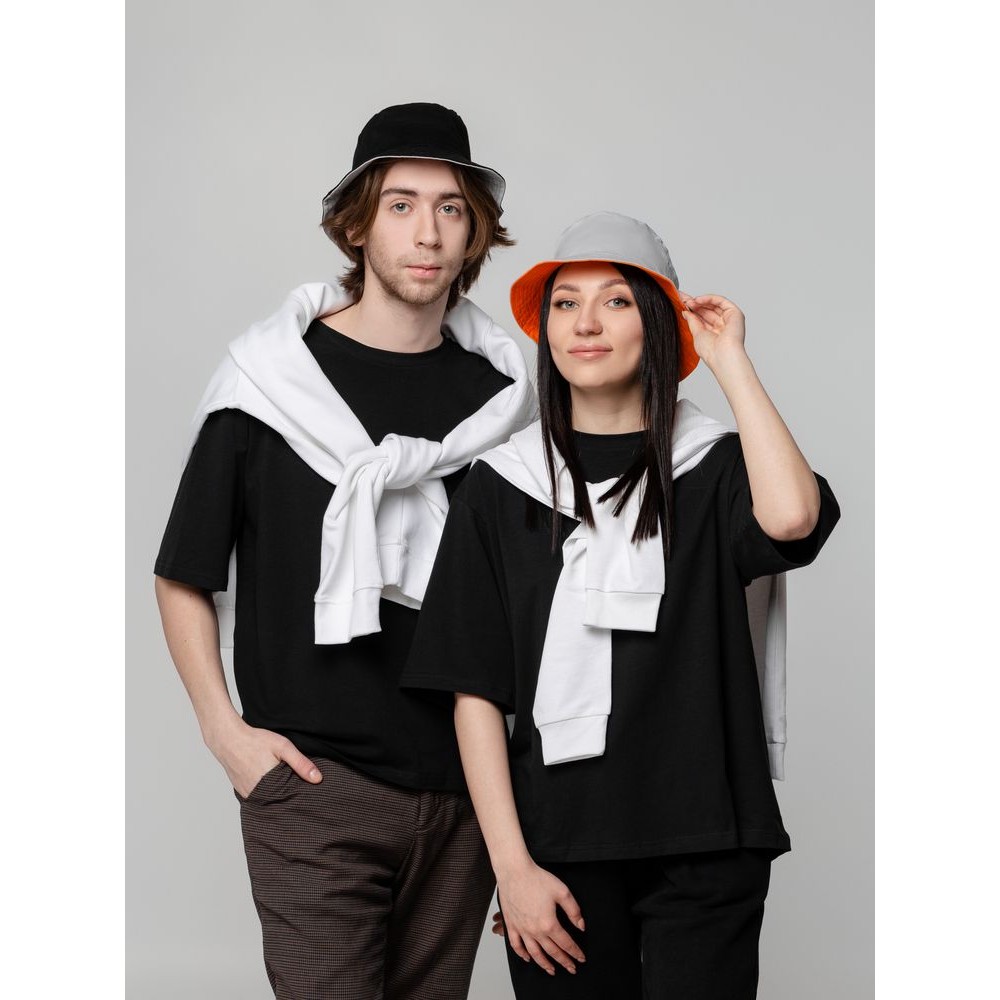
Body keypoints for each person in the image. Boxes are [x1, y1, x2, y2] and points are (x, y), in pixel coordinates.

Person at [401, 211, 840, 999]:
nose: (586, 324)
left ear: (659, 325)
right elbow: (474, 692)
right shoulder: (500, 486)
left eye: (617, 301)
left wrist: (729, 361)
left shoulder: (715, 466)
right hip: (556, 850)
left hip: (707, 840)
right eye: (566, 304)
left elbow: (792, 520)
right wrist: (512, 867)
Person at [153, 102, 537, 999]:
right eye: (401, 205)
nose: (427, 232)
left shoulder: (505, 403)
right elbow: (183, 572)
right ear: (357, 225)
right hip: (313, 783)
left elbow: (530, 599)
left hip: (467, 795)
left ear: (475, 232)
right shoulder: (268, 382)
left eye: (450, 208)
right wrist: (225, 734)